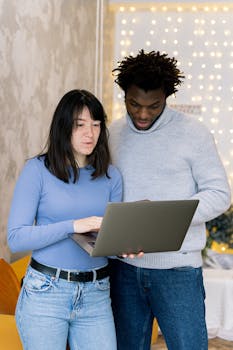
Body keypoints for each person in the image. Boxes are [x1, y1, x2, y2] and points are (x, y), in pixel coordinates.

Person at [108, 50, 231, 350]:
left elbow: (219, 194)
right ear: (124, 94)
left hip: (178, 270)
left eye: (154, 106)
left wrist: (164, 217)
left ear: (167, 97)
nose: (143, 114)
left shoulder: (194, 133)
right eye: (134, 104)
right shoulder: (112, 134)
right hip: (123, 269)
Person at [7, 89, 122, 350]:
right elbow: (16, 238)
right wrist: (73, 226)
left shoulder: (112, 177)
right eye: (79, 125)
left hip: (96, 293)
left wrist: (126, 247)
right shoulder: (37, 170)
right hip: (46, 292)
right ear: (63, 127)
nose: (90, 133)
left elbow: (107, 242)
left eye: (95, 125)